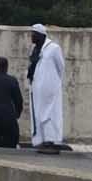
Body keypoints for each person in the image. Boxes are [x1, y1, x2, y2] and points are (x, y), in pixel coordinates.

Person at [27, 23, 66, 152]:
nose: (31, 36)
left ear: (40, 35)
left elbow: (61, 67)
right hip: (38, 89)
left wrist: (51, 82)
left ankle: (51, 141)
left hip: (49, 88)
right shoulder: (35, 49)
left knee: (49, 115)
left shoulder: (53, 48)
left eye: (34, 34)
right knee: (39, 114)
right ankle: (43, 140)